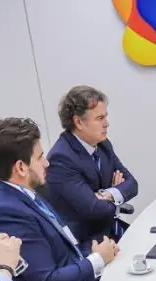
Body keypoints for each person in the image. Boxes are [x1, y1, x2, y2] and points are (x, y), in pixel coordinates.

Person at [0, 117, 119, 281]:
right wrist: (97, 260)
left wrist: (95, 251)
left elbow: (64, 252)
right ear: (21, 167)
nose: (47, 162)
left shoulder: (27, 195)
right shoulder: (7, 212)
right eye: (40, 157)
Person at [44, 85, 139, 246]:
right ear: (79, 122)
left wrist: (105, 194)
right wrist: (116, 194)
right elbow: (93, 208)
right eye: (100, 118)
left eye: (105, 117)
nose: (107, 124)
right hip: (87, 243)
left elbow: (132, 184)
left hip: (109, 230)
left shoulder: (103, 145)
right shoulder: (61, 158)